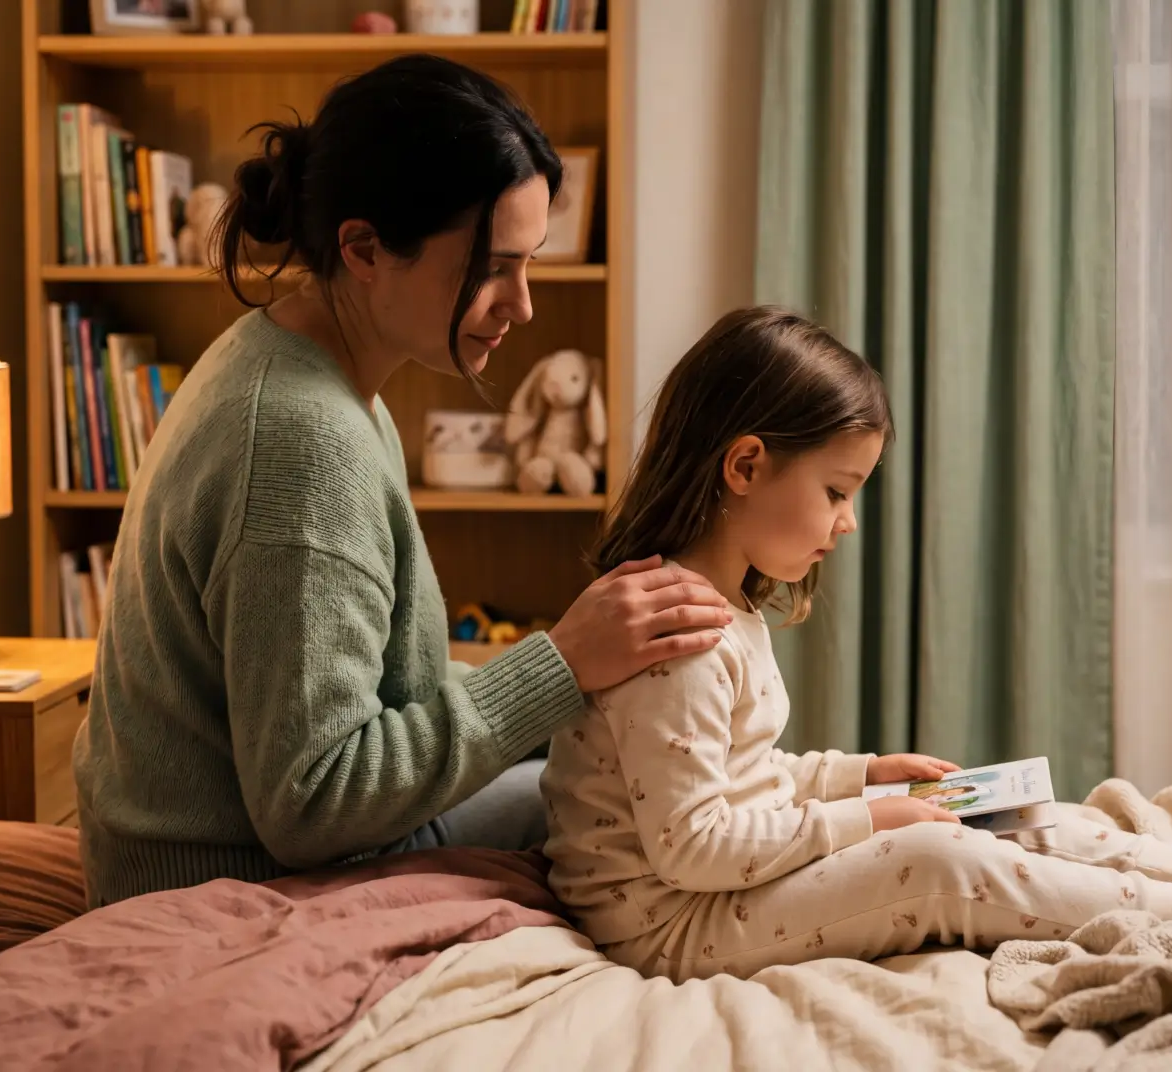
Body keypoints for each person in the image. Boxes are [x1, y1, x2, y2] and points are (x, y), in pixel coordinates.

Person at [539, 306, 1172, 982]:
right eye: (838, 491)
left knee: (1001, 807)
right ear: (745, 466)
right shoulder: (674, 633)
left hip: (707, 887)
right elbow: (695, 847)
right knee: (935, 856)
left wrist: (859, 773)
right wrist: (871, 819)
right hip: (670, 925)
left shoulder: (726, 610)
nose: (847, 524)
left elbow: (740, 778)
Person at [73, 55, 731, 909]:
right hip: (224, 888)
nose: (523, 305)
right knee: (626, 810)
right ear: (364, 248)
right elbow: (314, 801)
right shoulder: (302, 440)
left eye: (528, 263)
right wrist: (561, 662)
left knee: (613, 771)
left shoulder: (301, 364)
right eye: (494, 267)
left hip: (230, 853)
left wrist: (577, 679)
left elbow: (378, 696)